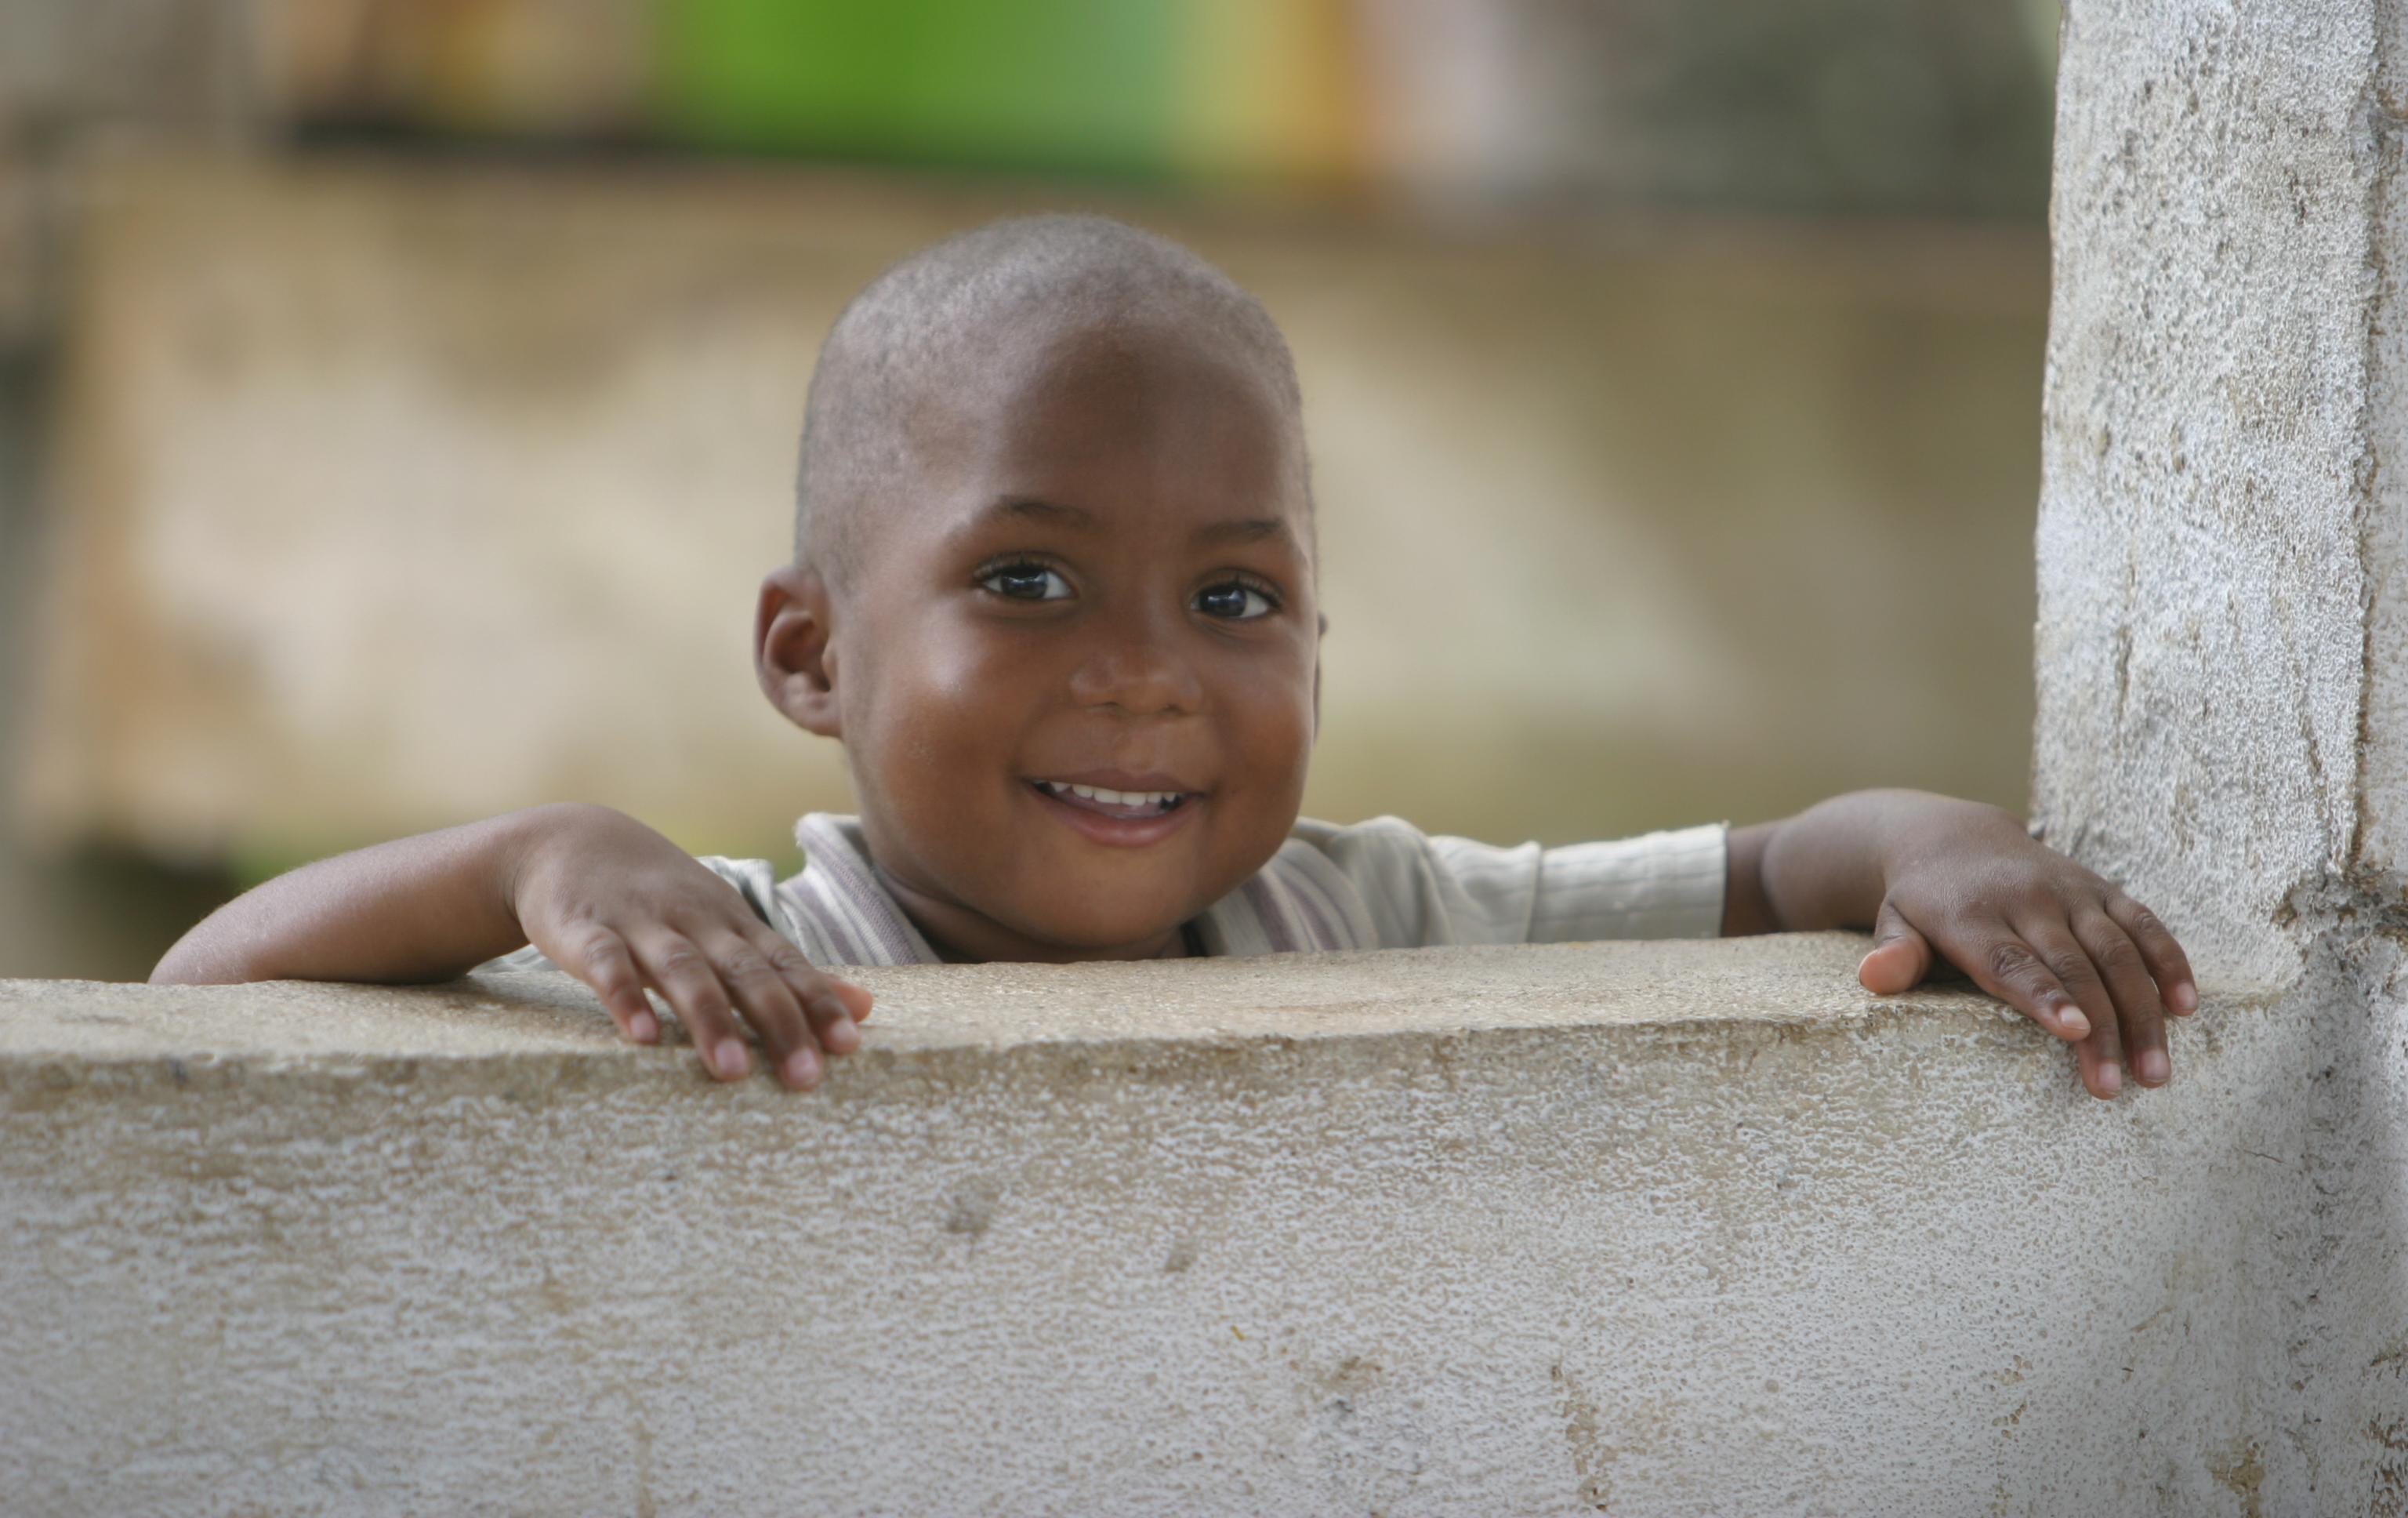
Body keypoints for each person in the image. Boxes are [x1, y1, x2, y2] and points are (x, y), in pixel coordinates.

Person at [152, 215, 2195, 1102]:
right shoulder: (732, 969)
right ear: (809, 653)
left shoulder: (1368, 916)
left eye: (1233, 603)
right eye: (1028, 581)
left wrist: (1938, 843)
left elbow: (1780, 872)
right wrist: (542, 853)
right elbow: (194, 1004)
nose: (1146, 677)